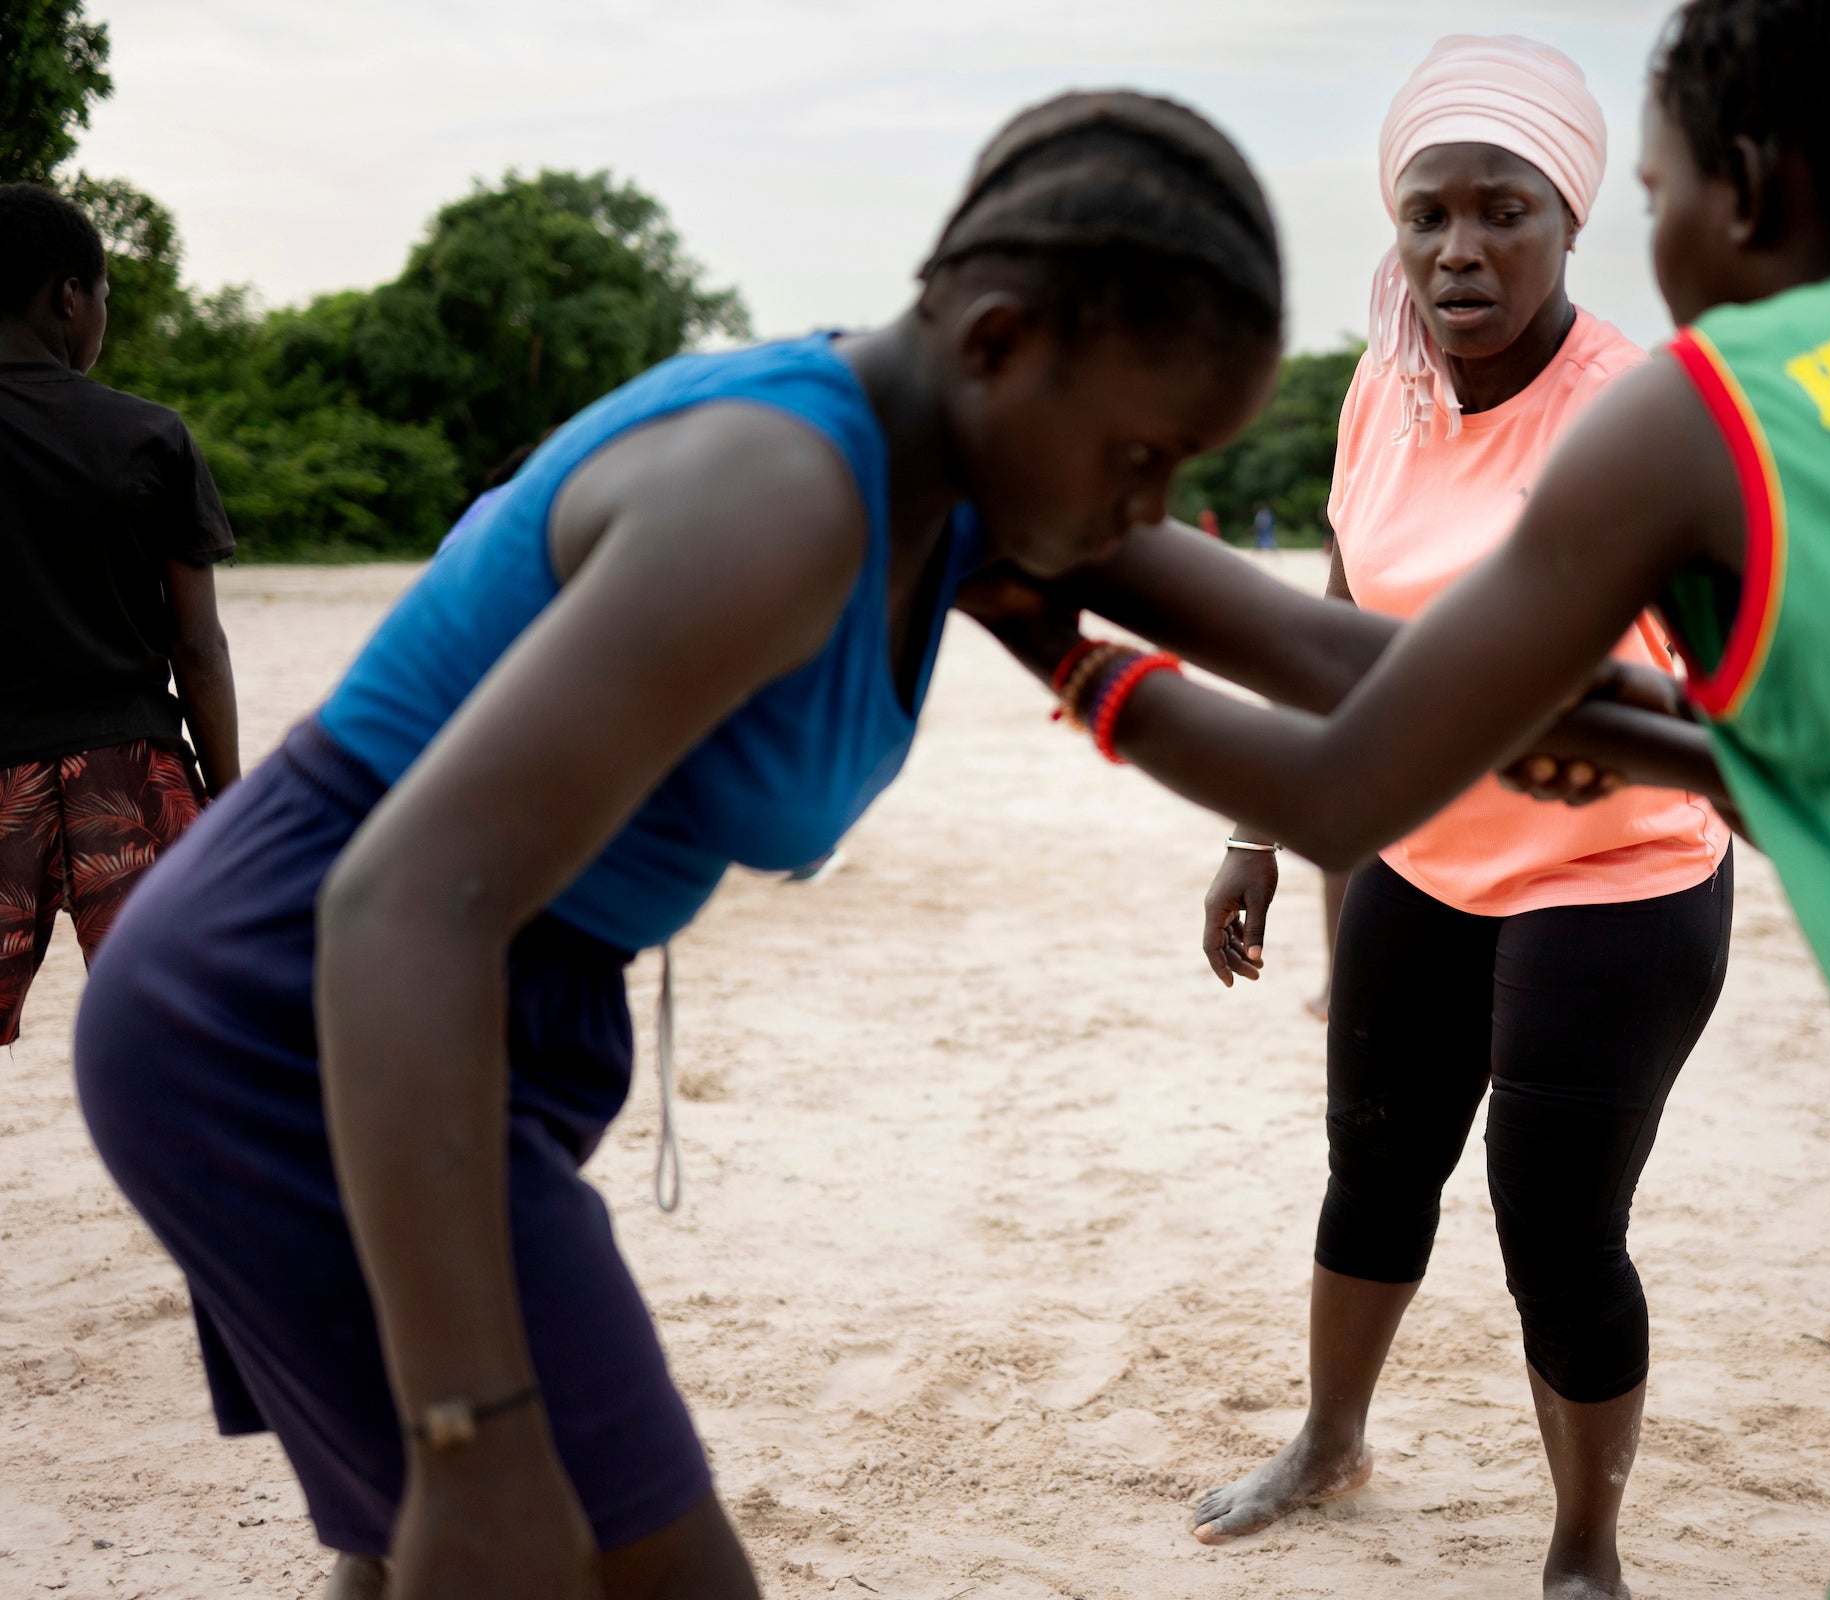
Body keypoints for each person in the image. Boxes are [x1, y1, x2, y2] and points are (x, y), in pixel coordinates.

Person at [975, 2, 1830, 1594]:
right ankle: (1344, 1439)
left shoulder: (1705, 402)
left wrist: (1039, 602)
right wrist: (1638, 734)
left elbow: (1341, 768)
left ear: (1747, 189)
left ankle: (1581, 1544)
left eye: (1642, 194)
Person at [73, 94, 1289, 1600]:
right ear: (995, 343)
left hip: (465, 1012)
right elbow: (398, 899)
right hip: (310, 1012)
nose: (1153, 502)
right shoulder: (780, 490)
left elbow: (1344, 707)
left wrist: (1660, 697)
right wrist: (477, 1435)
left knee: (415, 1565)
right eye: (1143, 450)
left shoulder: (959, 495)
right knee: (577, 1545)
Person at [1185, 37, 1729, 1598]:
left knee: (1554, 1225)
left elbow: (1742, 682)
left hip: (1614, 876)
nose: (1460, 248)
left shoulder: (1638, 417)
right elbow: (1343, 613)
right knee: (1372, 1165)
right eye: (1429, 214)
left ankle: (1584, 1551)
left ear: (1571, 224)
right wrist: (1256, 831)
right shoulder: (1387, 385)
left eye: (1504, 211)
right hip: (1425, 856)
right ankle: (1331, 1441)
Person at [0, 182, 240, 1046]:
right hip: (130, 772)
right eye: (103, 296)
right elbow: (198, 645)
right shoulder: (149, 436)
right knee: (187, 1027)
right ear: (69, 296)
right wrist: (230, 801)